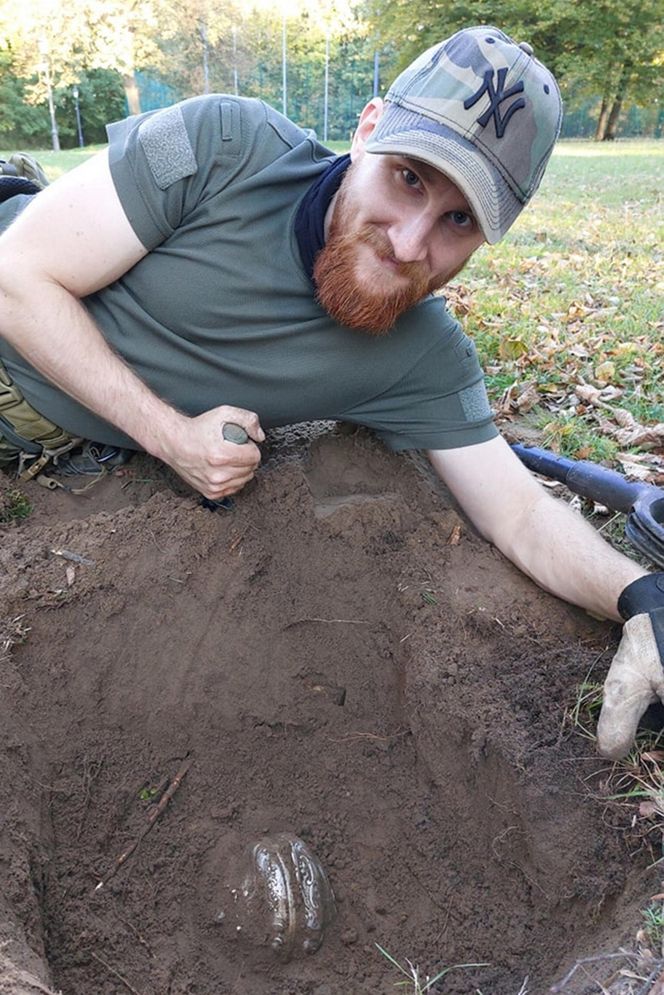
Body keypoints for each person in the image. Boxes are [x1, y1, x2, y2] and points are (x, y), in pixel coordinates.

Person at [0, 25, 661, 760]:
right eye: (408, 176)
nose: (411, 244)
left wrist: (640, 598)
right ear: (368, 128)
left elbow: (520, 511)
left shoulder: (422, 356)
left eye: (458, 220)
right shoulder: (218, 142)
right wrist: (170, 436)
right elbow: (16, 276)